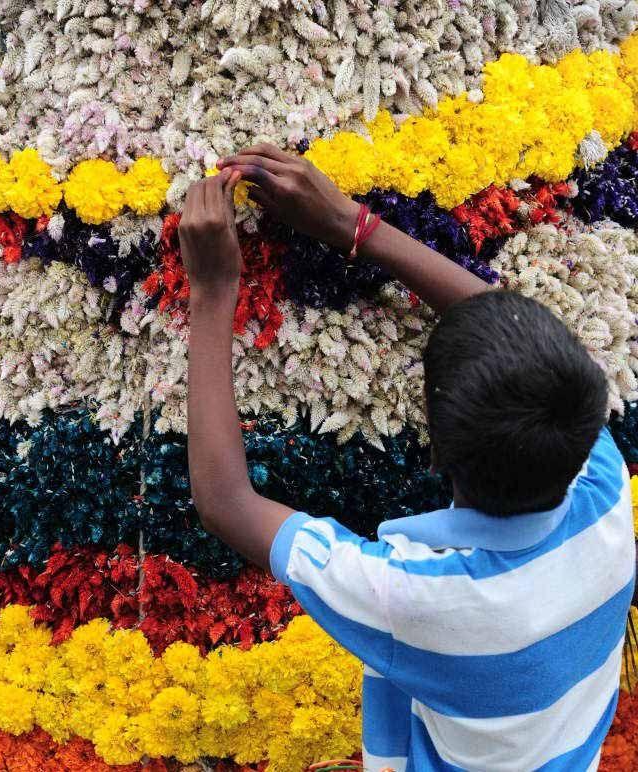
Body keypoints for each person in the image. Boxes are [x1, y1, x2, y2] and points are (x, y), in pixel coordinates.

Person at [180, 144, 635, 772]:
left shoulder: (417, 596)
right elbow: (534, 343)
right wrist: (351, 226)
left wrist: (210, 291)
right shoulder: (607, 489)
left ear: (434, 448)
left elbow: (226, 504)